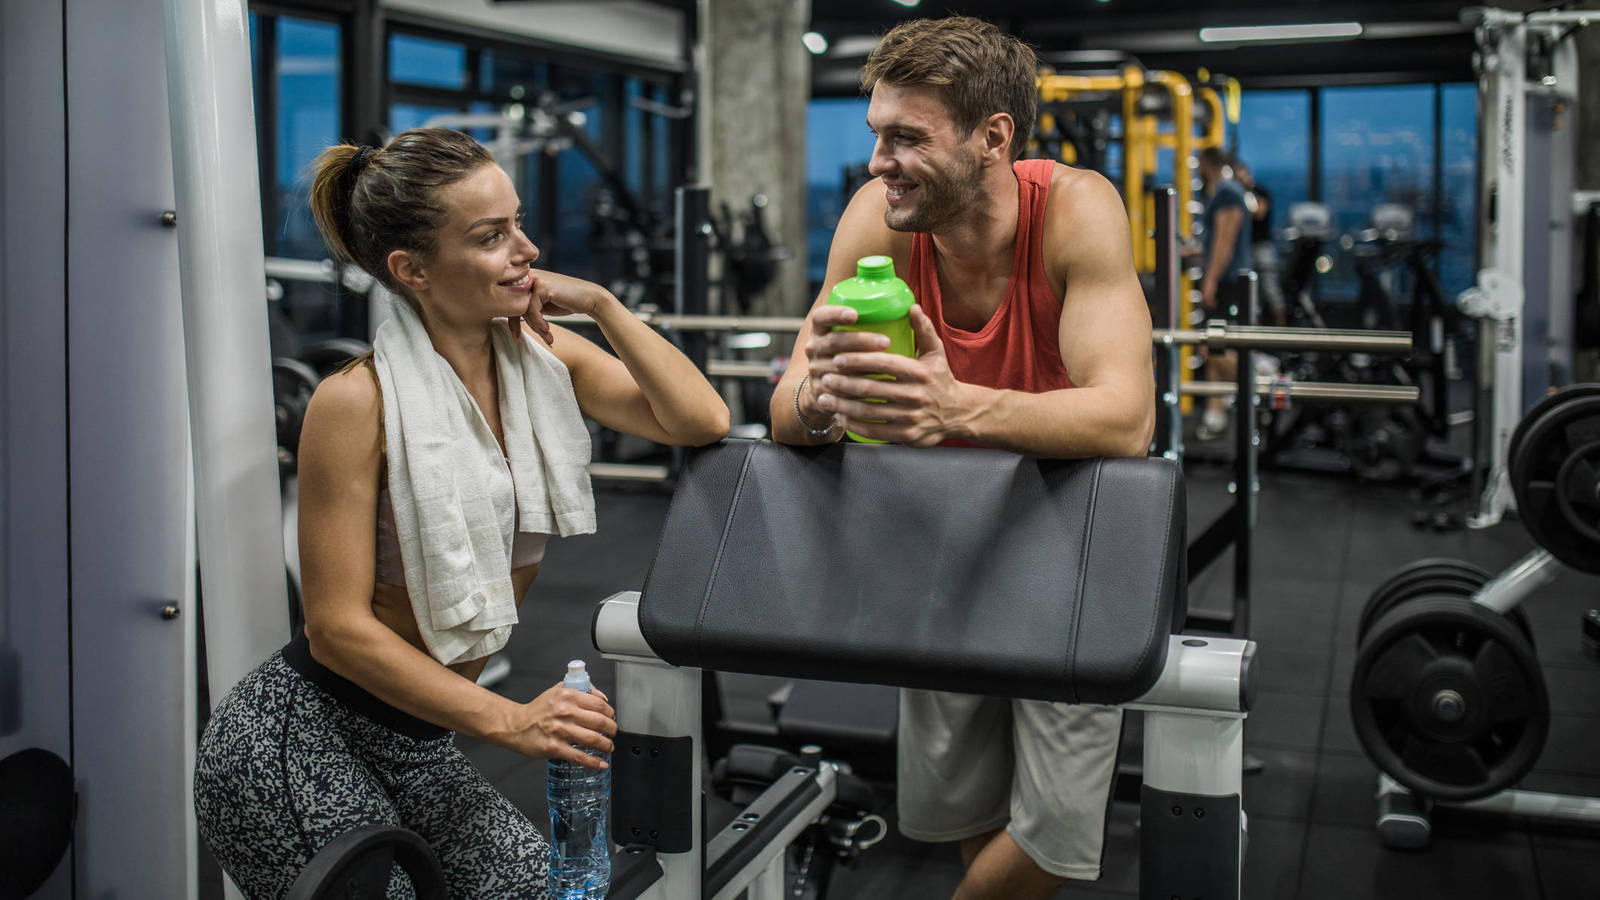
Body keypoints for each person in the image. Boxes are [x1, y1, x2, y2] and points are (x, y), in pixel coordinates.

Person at [194, 127, 729, 899]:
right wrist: (509, 721)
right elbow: (336, 629)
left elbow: (698, 420)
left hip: (420, 742)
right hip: (296, 742)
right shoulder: (355, 401)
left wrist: (605, 307)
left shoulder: (545, 358)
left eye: (517, 223)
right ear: (412, 270)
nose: (526, 249)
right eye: (491, 236)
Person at [768, 17, 1153, 900]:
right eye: (876, 135)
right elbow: (787, 409)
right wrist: (824, 402)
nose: (877, 162)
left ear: (993, 138)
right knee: (961, 808)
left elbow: (1125, 418)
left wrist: (956, 407)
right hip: (939, 531)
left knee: (1054, 837)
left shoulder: (1076, 210)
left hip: (1071, 527)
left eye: (906, 138)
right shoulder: (879, 220)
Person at [1194, 146, 1253, 440]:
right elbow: (1212, 242)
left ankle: (1261, 383)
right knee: (1214, 345)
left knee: (1211, 347)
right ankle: (1214, 414)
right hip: (1225, 279)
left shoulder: (1228, 192)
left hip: (1229, 282)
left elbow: (1225, 242)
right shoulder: (1222, 191)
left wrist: (1210, 280)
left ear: (1207, 162)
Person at [1235, 161, 1288, 327]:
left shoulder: (1260, 192)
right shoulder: (1238, 196)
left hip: (1262, 248)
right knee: (1252, 298)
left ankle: (1283, 333)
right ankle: (1255, 338)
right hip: (1245, 250)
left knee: (1272, 292)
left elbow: (1259, 212)